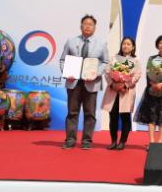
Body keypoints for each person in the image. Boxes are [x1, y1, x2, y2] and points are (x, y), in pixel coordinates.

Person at [59, 14, 109, 149]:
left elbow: (105, 62)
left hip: (91, 83)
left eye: (90, 24)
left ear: (94, 27)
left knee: (90, 114)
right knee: (72, 113)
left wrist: (96, 73)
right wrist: (66, 72)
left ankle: (87, 141)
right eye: (85, 24)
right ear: (81, 26)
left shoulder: (101, 44)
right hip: (74, 82)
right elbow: (63, 59)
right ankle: (70, 140)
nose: (87, 26)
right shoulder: (71, 41)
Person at [134, 35, 162, 146]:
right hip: (151, 90)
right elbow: (148, 74)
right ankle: (152, 142)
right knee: (151, 115)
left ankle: (160, 142)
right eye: (160, 43)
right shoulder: (151, 59)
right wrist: (154, 84)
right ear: (157, 45)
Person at [101, 37, 141, 150]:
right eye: (124, 44)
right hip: (113, 91)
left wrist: (125, 85)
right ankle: (113, 141)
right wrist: (113, 84)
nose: (125, 46)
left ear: (133, 47)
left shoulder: (135, 60)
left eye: (128, 44)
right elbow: (107, 72)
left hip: (126, 92)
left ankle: (122, 142)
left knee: (125, 117)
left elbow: (137, 75)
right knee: (113, 116)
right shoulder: (114, 58)